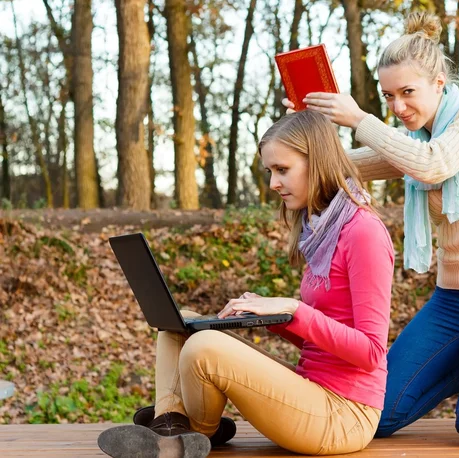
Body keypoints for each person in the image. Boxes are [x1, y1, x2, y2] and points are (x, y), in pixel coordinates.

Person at [285, 11, 459, 447]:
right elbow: (343, 167)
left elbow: (434, 164)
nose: (397, 107)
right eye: (388, 95)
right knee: (380, 416)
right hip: (453, 301)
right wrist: (309, 138)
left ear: (438, 83)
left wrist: (359, 120)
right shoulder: (411, 144)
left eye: (407, 92)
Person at [97, 110, 395, 458]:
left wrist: (292, 309)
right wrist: (266, 317)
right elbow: (321, 337)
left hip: (344, 415)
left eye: (283, 170)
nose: (273, 184)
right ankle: (171, 426)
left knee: (204, 348)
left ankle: (188, 436)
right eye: (270, 172)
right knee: (181, 324)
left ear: (318, 161)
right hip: (311, 388)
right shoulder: (321, 229)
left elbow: (372, 353)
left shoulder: (363, 232)